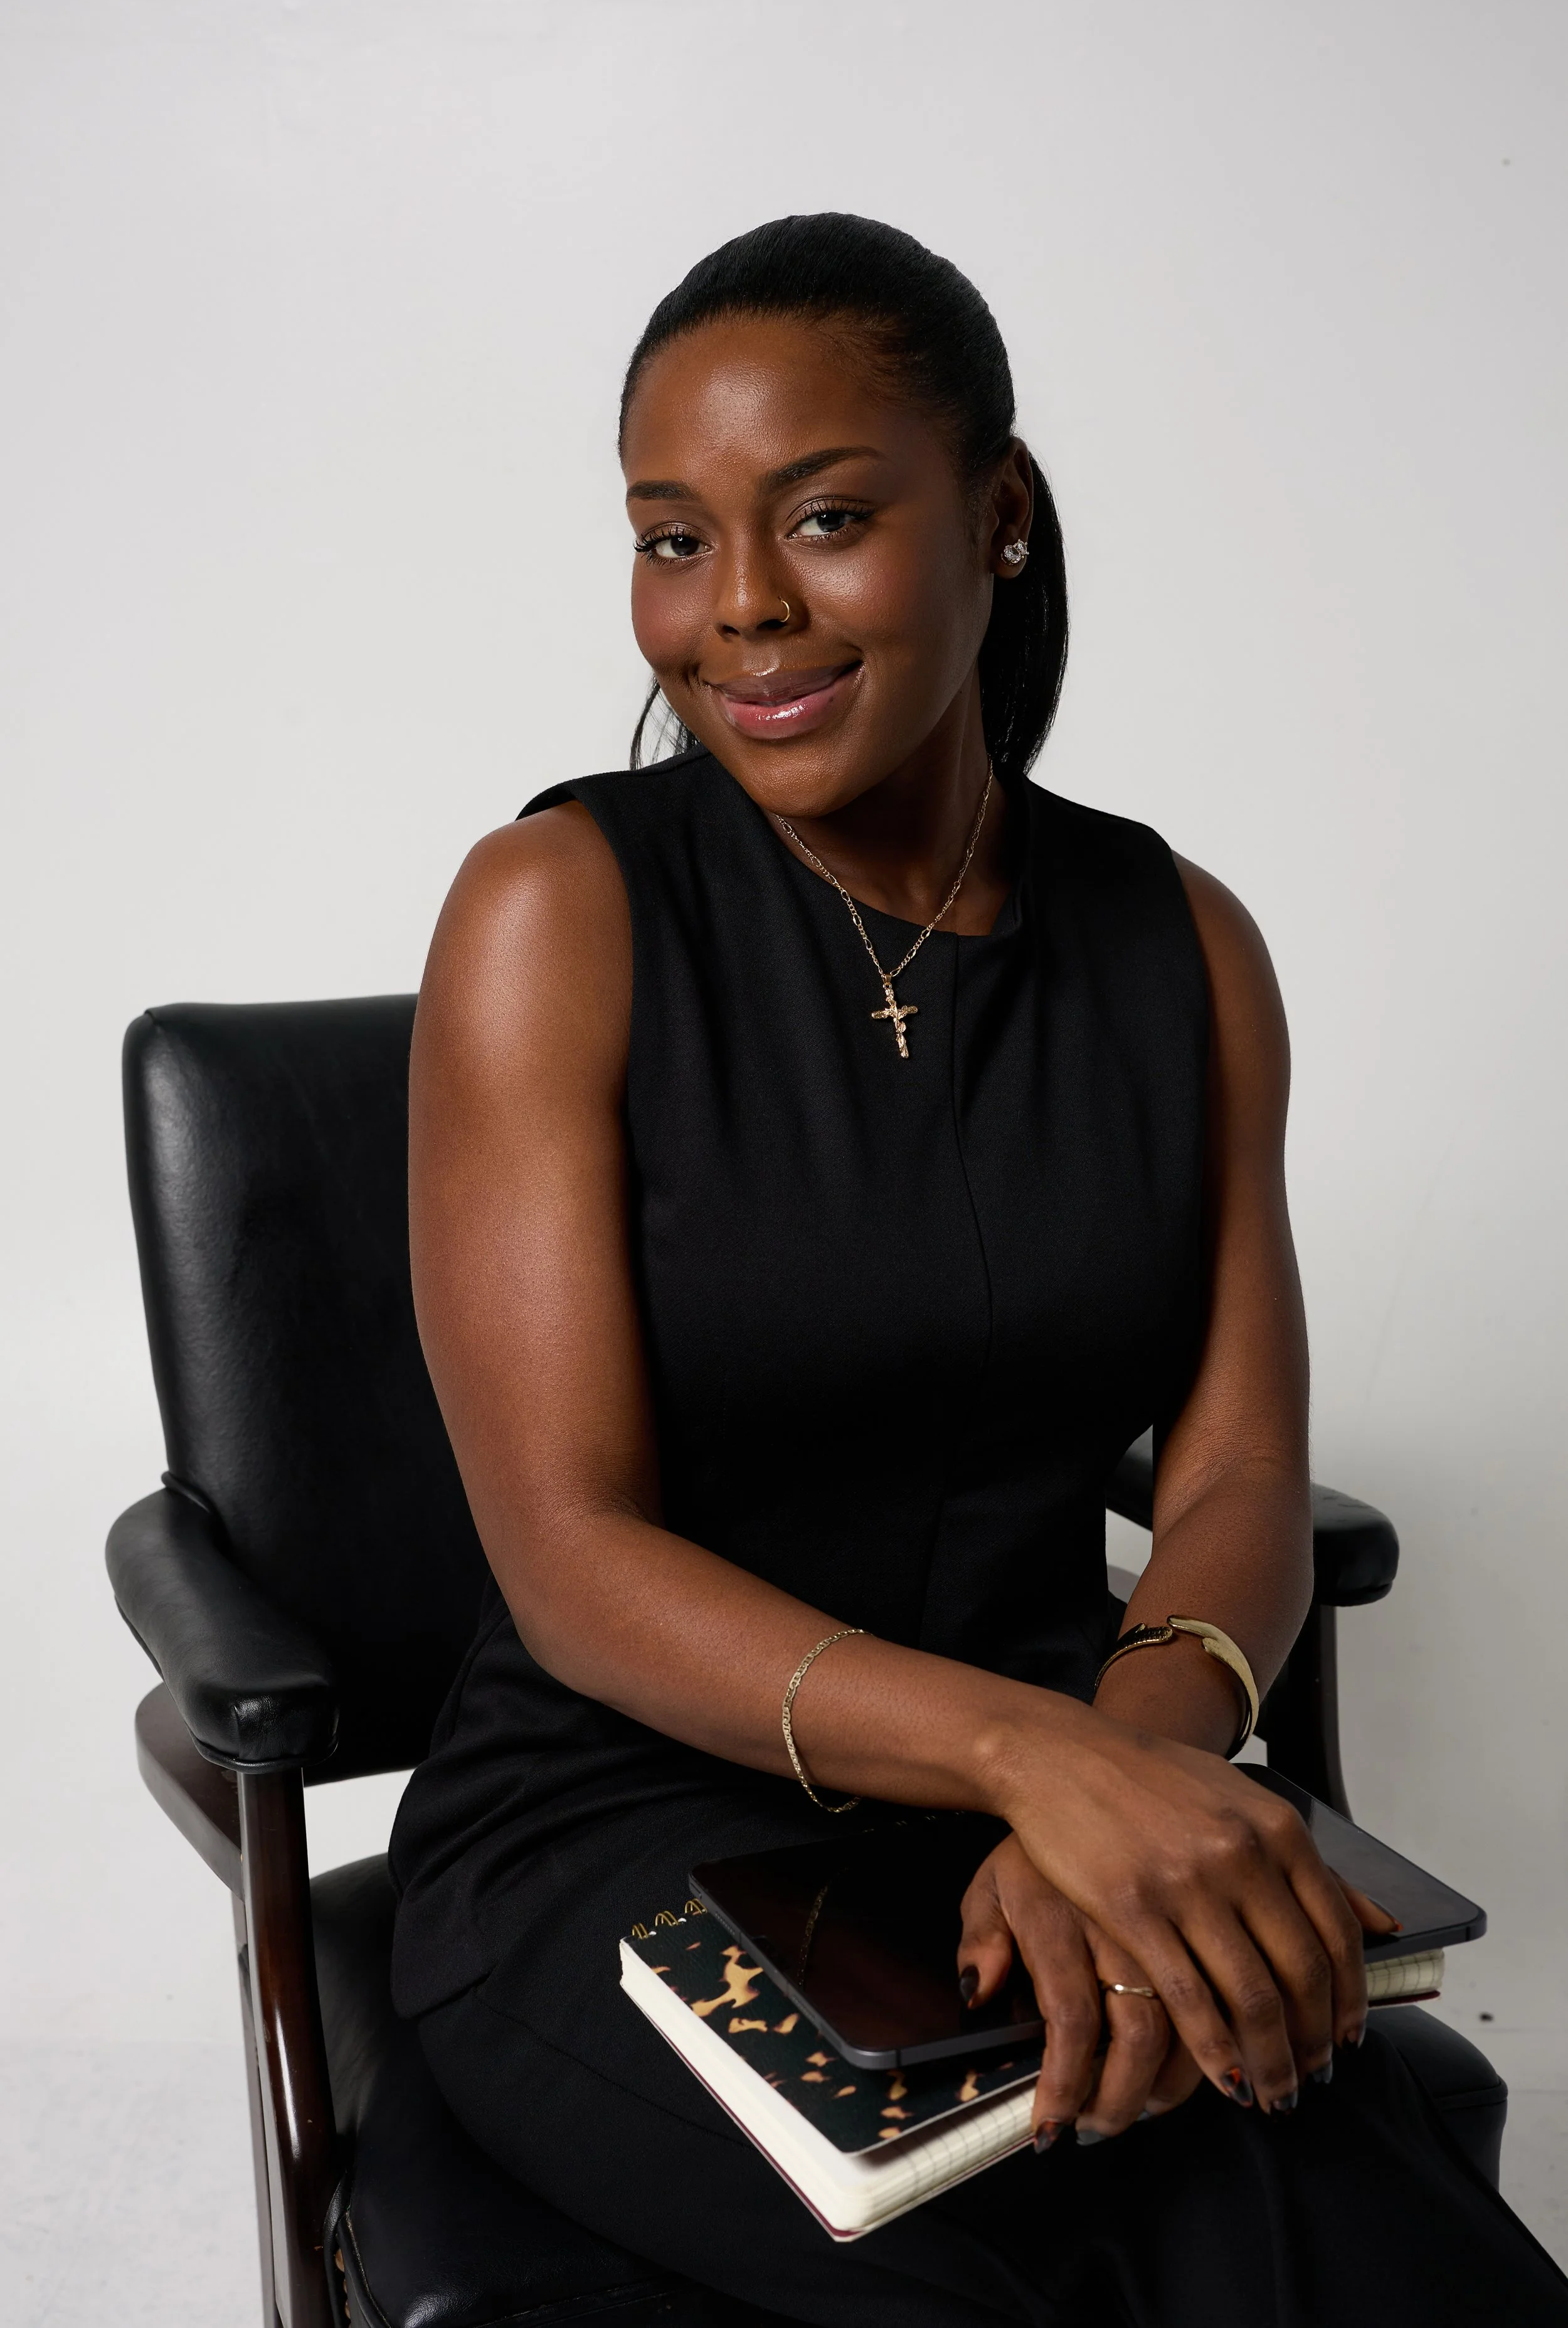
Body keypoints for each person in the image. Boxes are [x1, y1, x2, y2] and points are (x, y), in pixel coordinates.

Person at [388, 215, 1567, 2325]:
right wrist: (1055, 1768)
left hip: (1052, 1801)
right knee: (1014, 2280)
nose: (736, 604)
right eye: (672, 536)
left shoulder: (1183, 942)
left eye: (824, 516)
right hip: (612, 1827)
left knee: (1377, 2248)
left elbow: (1226, 1479)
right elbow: (566, 1552)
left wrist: (1118, 1768)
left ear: (993, 516)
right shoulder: (553, 912)